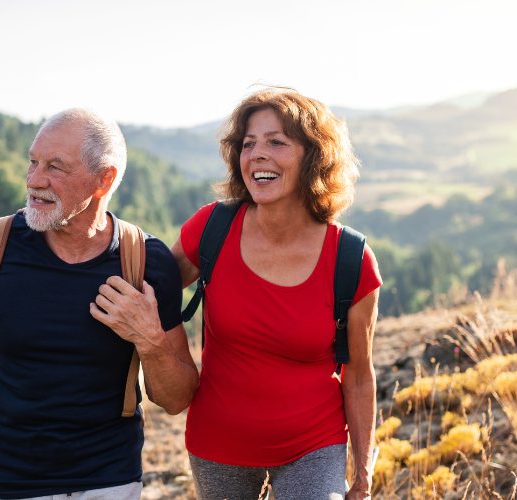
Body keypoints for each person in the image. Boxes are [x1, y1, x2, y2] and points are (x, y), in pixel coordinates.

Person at [99, 88, 381, 499]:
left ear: (314, 157)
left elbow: (358, 376)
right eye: (248, 144)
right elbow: (144, 286)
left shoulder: (352, 259)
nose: (257, 154)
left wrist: (363, 471)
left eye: (276, 142)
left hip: (314, 446)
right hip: (219, 445)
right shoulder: (213, 229)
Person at [0, 108, 199, 500]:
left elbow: (176, 400)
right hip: (4, 483)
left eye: (55, 167)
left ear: (104, 180)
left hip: (109, 483)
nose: (34, 180)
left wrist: (150, 341)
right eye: (33, 162)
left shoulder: (146, 262)